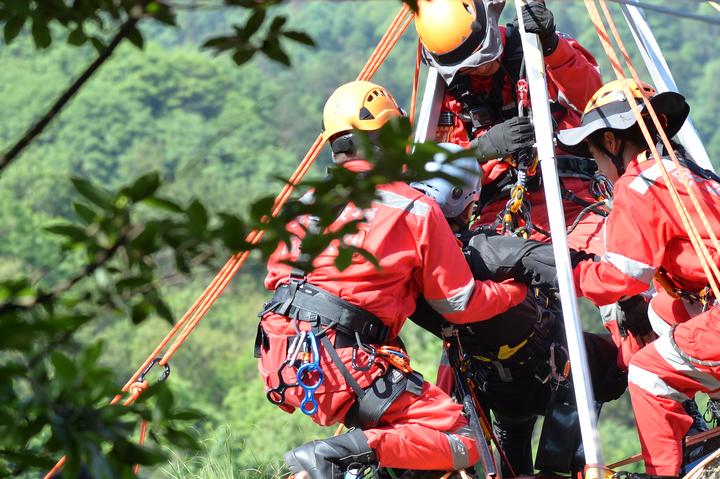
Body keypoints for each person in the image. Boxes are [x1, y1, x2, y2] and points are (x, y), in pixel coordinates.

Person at [256, 80, 528, 478]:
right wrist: (512, 292)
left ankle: (328, 464)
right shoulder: (415, 209)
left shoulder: (303, 205)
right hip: (339, 357)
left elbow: (278, 280)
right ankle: (330, 458)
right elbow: (458, 303)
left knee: (408, 443)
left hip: (281, 355)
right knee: (458, 440)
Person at [408, 144, 626, 478]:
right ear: (464, 199)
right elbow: (556, 265)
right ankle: (561, 468)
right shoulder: (484, 252)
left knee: (513, 429)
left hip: (493, 384)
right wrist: (627, 291)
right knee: (612, 357)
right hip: (546, 370)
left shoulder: (409, 275)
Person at [557, 78, 720, 479]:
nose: (598, 167)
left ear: (612, 143)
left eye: (595, 154)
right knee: (659, 315)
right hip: (708, 297)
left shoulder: (639, 182)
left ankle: (665, 472)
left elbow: (623, 277)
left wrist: (569, 271)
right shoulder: (687, 172)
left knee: (646, 371)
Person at [414, 0, 608, 254]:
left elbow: (594, 101)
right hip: (501, 211)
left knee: (605, 263)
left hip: (574, 196)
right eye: (470, 65)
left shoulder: (536, 46)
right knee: (483, 272)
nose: (481, 67)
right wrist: (480, 149)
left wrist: (553, 48)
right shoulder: (451, 95)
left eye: (483, 55)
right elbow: (438, 181)